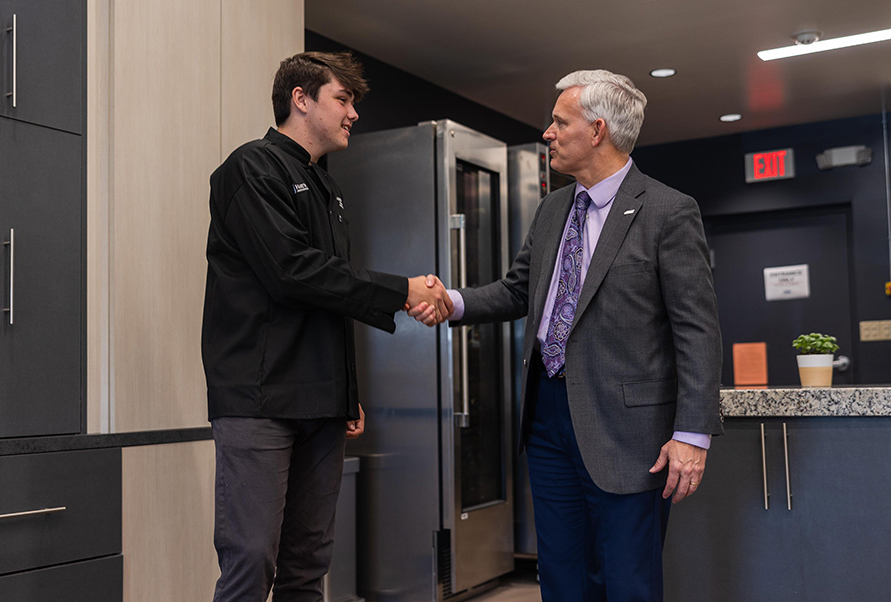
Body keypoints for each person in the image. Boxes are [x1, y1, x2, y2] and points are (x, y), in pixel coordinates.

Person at [413, 69, 722, 602]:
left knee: (627, 581)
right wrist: (452, 301)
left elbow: (697, 329)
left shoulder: (668, 212)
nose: (547, 132)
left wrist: (692, 435)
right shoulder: (554, 207)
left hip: (629, 434)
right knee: (561, 578)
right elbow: (519, 291)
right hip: (549, 420)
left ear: (598, 130)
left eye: (560, 121)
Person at [201, 50, 452, 602]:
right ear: (301, 98)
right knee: (251, 560)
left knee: (309, 564)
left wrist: (347, 393)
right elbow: (293, 273)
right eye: (343, 99)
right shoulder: (250, 169)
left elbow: (331, 294)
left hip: (321, 402)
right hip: (259, 400)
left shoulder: (329, 189)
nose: (353, 114)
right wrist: (402, 289)